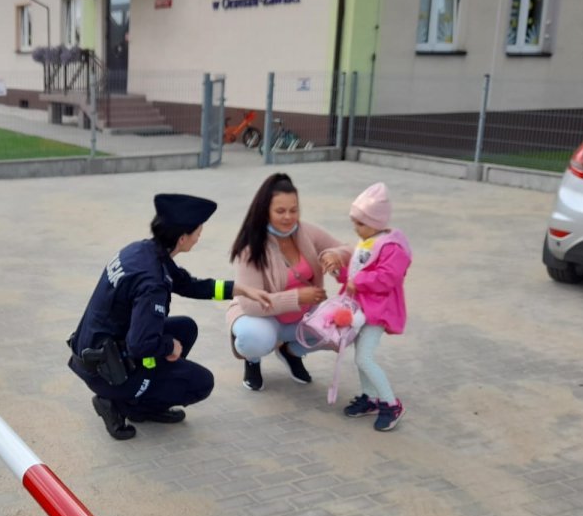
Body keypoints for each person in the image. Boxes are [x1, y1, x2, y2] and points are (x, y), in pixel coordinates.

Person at [68, 193, 273, 441]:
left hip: (96, 351)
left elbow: (188, 285)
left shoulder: (143, 251)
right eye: (198, 231)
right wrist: (169, 346)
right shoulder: (152, 282)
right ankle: (121, 404)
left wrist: (238, 289)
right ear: (182, 237)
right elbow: (140, 344)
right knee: (201, 382)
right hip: (106, 369)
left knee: (186, 328)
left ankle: (139, 398)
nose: (200, 237)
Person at [227, 173, 351, 391]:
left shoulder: (306, 232)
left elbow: (349, 249)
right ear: (265, 211)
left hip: (302, 318)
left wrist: (334, 255)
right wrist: (296, 297)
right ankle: (252, 360)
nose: (288, 217)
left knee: (346, 326)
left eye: (294, 210)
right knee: (253, 338)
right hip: (263, 319)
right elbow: (250, 304)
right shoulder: (250, 246)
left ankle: (292, 352)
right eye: (280, 211)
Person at [332, 182, 412, 431]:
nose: (356, 229)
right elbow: (357, 271)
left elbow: (388, 277)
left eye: (361, 223)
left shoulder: (391, 246)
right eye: (355, 222)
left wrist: (359, 281)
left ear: (376, 222)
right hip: (362, 310)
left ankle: (391, 403)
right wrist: (340, 273)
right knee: (360, 357)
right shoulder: (369, 241)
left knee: (364, 357)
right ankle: (370, 398)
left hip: (378, 311)